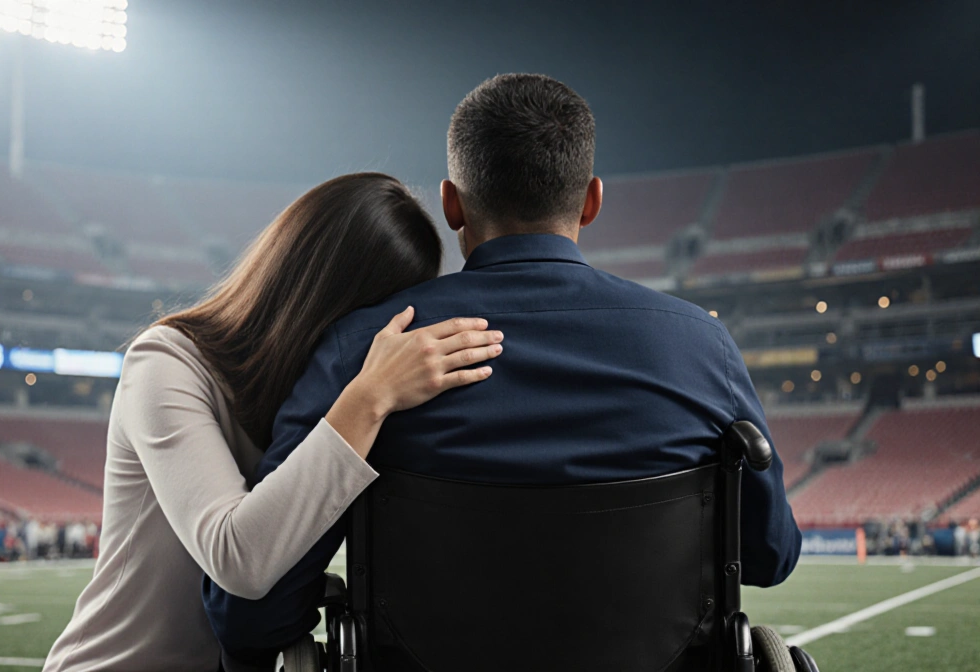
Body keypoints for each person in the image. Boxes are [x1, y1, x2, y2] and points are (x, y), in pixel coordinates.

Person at [204, 73, 803, 670]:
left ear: (451, 203)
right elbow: (770, 556)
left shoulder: (366, 350)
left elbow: (251, 614)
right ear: (591, 200)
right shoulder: (701, 346)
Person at [43, 173, 504, 672]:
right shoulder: (165, 362)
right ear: (325, 298)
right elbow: (237, 557)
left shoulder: (306, 399)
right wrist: (370, 396)